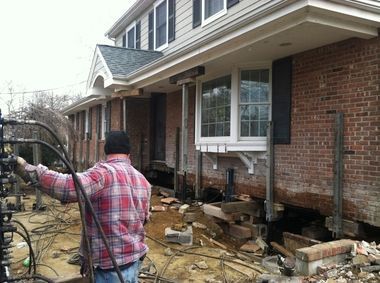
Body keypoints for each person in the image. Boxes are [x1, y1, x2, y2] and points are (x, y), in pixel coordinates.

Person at [15, 131, 151, 283]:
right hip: (133, 263)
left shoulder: (103, 174)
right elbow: (144, 219)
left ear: (106, 150)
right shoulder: (143, 181)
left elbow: (67, 186)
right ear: (129, 153)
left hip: (109, 270)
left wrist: (27, 170)